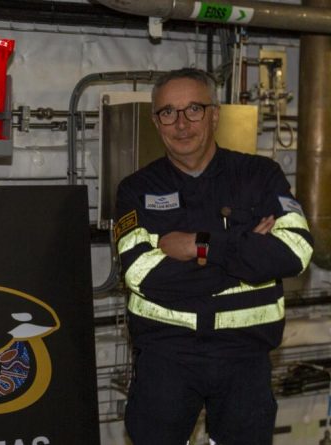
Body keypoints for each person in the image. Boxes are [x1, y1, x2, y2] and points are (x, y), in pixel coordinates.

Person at [115, 67, 313, 445]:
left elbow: (295, 252)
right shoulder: (136, 189)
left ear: (215, 114)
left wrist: (201, 246)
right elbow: (143, 274)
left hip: (245, 360)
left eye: (194, 109)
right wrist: (246, 252)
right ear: (156, 122)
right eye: (168, 113)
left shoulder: (260, 176)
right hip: (166, 361)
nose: (181, 123)